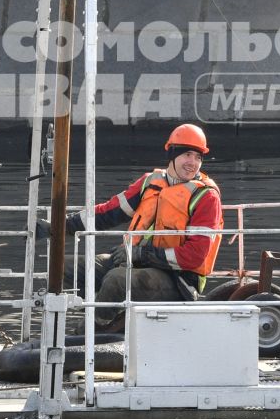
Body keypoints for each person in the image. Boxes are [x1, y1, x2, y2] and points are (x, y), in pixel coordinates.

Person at [56, 123, 225, 332]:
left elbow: (195, 256)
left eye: (198, 157)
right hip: (134, 262)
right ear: (172, 154)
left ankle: (86, 336)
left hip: (179, 281)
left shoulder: (206, 196)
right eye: (187, 154)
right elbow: (110, 212)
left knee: (117, 280)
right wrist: (62, 226)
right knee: (65, 268)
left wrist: (141, 254)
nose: (193, 162)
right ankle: (100, 320)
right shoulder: (150, 182)